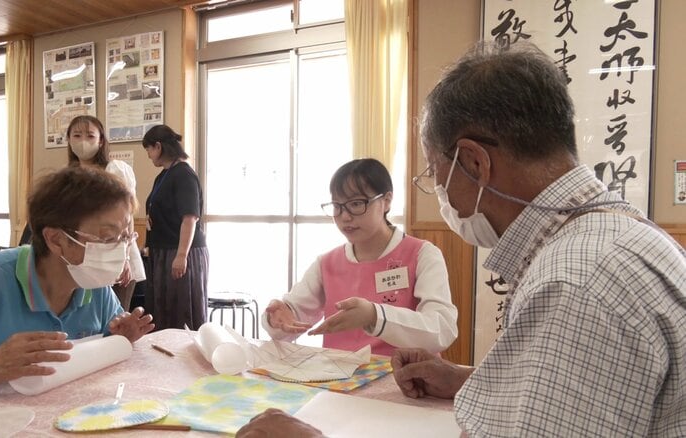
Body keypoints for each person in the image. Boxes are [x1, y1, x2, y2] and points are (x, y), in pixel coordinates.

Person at [239, 41, 686, 436]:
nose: (441, 194)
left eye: (436, 173)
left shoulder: (571, 283)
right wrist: (469, 378)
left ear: (473, 163)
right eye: (338, 206)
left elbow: (443, 327)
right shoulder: (620, 234)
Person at [0, 166, 155, 401]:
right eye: (108, 237)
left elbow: (98, 347)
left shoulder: (93, 283)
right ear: (56, 239)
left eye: (125, 236)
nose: (121, 248)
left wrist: (118, 337)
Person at [262, 158, 457, 356]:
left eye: (356, 204)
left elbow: (442, 329)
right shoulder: (326, 263)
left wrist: (374, 316)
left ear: (386, 201)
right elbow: (292, 316)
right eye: (337, 206)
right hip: (337, 381)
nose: (345, 216)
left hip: (405, 379)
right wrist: (278, 318)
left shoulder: (422, 254)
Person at [67, 115, 145, 311]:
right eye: (77, 135)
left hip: (115, 253)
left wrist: (124, 256)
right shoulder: (69, 177)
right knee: (87, 321)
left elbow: (126, 216)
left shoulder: (115, 169)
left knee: (116, 320)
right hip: (83, 257)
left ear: (101, 140)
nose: (83, 141)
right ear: (68, 140)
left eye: (90, 135)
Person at [142, 124, 208, 330]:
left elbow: (190, 217)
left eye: (149, 150)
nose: (149, 156)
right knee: (163, 314)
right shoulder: (164, 175)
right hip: (163, 253)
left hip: (181, 252)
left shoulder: (184, 175)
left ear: (158, 146)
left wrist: (181, 256)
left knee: (181, 314)